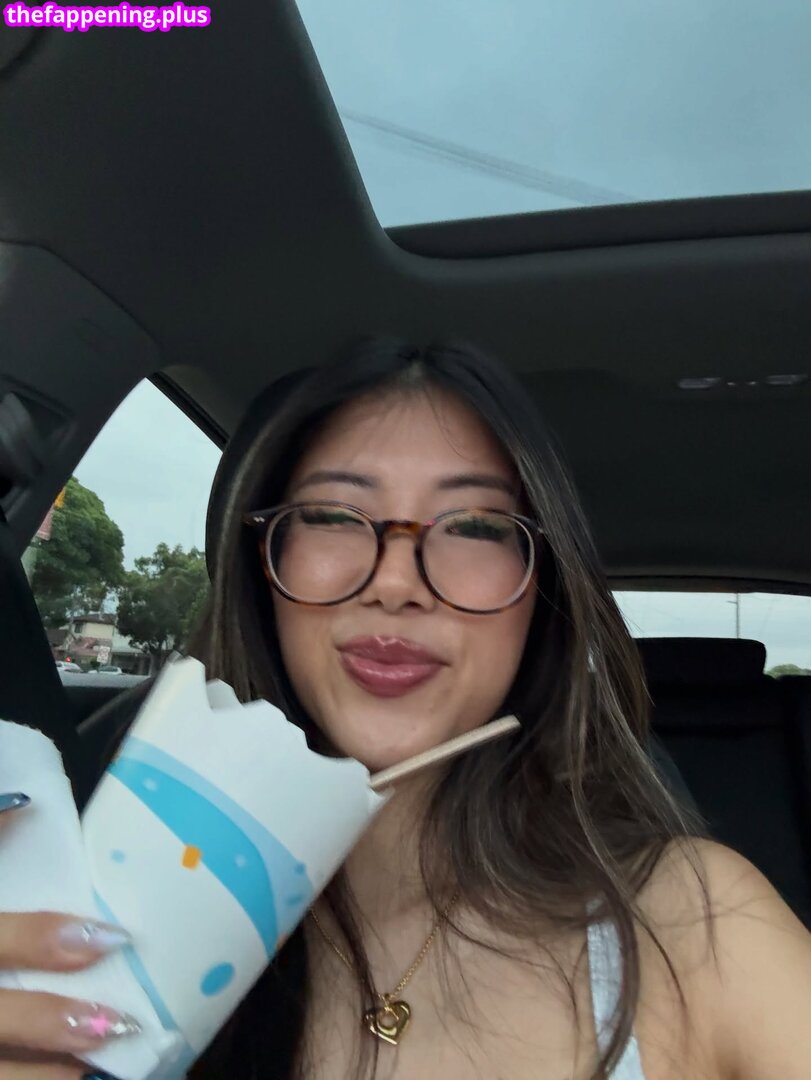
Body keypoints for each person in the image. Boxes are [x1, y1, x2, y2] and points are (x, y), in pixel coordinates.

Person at [0, 337, 809, 1080]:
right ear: (264, 562)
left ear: (539, 587)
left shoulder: (698, 926)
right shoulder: (92, 893)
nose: (394, 581)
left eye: (475, 525)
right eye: (330, 515)